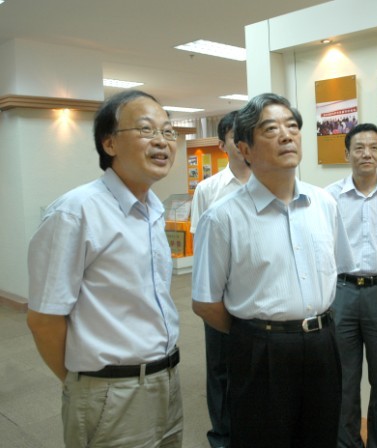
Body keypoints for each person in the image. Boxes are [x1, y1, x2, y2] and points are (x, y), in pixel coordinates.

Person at [191, 93, 353, 448]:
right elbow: (205, 302)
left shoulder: (324, 204)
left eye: (292, 126)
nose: (286, 135)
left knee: (322, 437)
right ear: (244, 149)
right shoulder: (222, 217)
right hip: (260, 350)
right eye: (271, 129)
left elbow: (338, 272)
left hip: (322, 345)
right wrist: (256, 334)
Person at [26, 90, 183, 447]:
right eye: (146, 130)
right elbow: (44, 320)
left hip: (167, 380)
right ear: (109, 143)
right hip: (111, 392)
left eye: (168, 131)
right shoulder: (76, 212)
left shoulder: (152, 210)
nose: (162, 141)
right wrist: (86, 386)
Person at [325, 123, 377, 448]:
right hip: (341, 292)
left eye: (373, 147)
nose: (366, 154)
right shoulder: (329, 197)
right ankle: (347, 443)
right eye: (359, 148)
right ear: (347, 154)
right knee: (344, 378)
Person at [189, 110, 250, 448]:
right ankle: (222, 436)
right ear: (223, 144)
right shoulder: (208, 189)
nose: (243, 142)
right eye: (235, 137)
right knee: (220, 369)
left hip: (256, 292)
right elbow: (200, 244)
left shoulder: (267, 183)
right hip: (219, 295)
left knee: (255, 367)